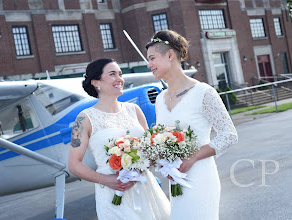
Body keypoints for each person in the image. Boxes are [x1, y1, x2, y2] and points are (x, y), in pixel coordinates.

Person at [145, 30, 238, 219]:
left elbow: (229, 134)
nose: (149, 64)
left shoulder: (204, 92)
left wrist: (192, 157)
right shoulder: (160, 99)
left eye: (153, 58)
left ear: (170, 55)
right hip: (176, 183)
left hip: (201, 178)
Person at [68, 58, 170, 220]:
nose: (119, 79)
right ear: (96, 82)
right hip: (112, 193)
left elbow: (150, 150)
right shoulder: (84, 119)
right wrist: (106, 180)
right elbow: (74, 165)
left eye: (120, 74)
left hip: (144, 187)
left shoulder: (134, 110)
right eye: (112, 74)